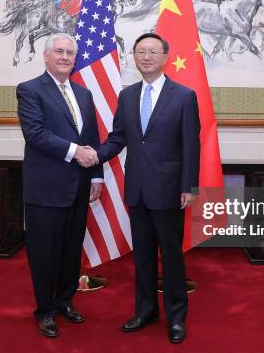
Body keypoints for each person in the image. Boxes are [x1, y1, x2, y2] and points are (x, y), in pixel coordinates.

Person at [84, 33, 200, 344]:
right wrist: (96, 154)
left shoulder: (184, 96)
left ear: (164, 57)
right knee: (143, 257)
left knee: (171, 257)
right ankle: (146, 311)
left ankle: (176, 318)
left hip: (170, 191)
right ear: (134, 58)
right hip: (137, 190)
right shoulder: (128, 96)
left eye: (152, 52)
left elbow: (191, 145)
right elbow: (118, 138)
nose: (146, 56)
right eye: (140, 52)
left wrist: (189, 187)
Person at [16, 33, 102, 338]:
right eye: (59, 52)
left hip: (79, 187)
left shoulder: (84, 94)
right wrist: (75, 152)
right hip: (46, 189)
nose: (65, 57)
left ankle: (65, 300)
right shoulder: (30, 90)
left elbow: (92, 137)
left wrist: (96, 175)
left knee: (70, 251)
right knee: (44, 253)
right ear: (46, 56)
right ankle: (46, 310)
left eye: (70, 53)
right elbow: (35, 134)